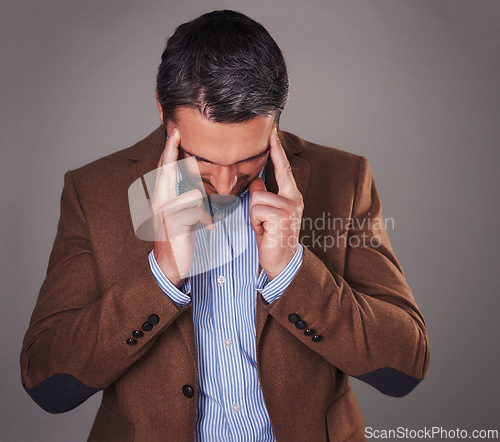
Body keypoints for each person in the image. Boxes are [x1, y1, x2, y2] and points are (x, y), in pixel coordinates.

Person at [20, 9, 429, 442]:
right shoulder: (94, 191)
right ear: (164, 111)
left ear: (276, 119)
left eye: (249, 159)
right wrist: (160, 277)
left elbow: (405, 368)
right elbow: (48, 384)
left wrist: (293, 272)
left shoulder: (344, 178)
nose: (227, 182)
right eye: (205, 160)